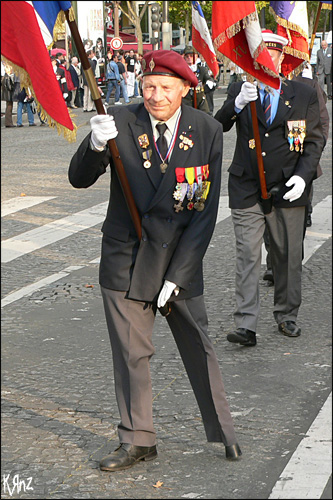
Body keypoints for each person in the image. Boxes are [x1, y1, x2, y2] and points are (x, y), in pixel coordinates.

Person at [68, 49, 241, 472]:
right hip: (126, 256)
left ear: (186, 88)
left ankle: (222, 430)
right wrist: (93, 144)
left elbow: (204, 210)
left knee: (199, 345)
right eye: (148, 86)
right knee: (131, 352)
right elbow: (78, 178)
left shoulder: (206, 130)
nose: (155, 95)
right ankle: (137, 439)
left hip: (179, 255)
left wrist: (178, 275)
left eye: (165, 87)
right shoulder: (121, 121)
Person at [214, 30, 324, 346]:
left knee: (287, 255)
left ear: (280, 58)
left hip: (289, 186)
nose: (265, 61)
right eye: (258, 56)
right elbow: (217, 125)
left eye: (270, 55)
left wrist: (303, 176)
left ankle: (287, 315)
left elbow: (314, 140)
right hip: (247, 185)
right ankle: (246, 324)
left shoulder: (303, 94)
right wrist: (235, 104)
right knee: (247, 255)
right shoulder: (240, 89)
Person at [262, 61, 330, 283]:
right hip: (272, 168)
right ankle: (274, 264)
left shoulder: (308, 86)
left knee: (296, 223)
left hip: (302, 165)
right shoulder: (262, 85)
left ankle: (291, 265)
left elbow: (322, 122)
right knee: (268, 219)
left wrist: (311, 159)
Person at [182, 45, 214, 114]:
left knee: (206, 117)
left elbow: (209, 79)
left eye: (191, 56)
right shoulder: (182, 70)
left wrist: (208, 85)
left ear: (196, 56)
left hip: (199, 100)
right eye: (187, 56)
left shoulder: (201, 69)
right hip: (186, 100)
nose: (189, 58)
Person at [1, 62, 16, 128]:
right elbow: (9, 87)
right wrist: (13, 88)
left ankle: (9, 122)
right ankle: (8, 122)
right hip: (8, 94)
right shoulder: (7, 77)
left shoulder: (4, 77)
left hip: (6, 94)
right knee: (9, 108)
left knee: (8, 108)